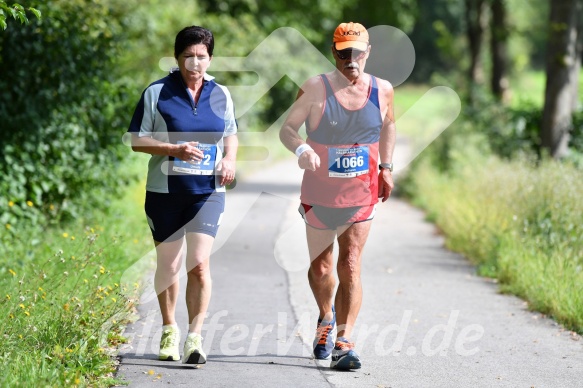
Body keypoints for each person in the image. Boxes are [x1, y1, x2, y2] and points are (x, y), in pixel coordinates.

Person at [279, 22, 396, 370]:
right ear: (334, 52)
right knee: (321, 267)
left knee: (350, 264)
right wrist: (300, 148)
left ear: (368, 52)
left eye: (357, 52)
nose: (351, 59)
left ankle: (344, 341)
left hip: (361, 193)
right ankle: (325, 317)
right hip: (319, 192)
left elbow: (389, 124)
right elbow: (287, 129)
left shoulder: (383, 90)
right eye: (343, 53)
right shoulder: (315, 88)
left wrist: (386, 167)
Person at [127, 26, 238, 365]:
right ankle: (169, 328)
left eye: (201, 57)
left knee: (199, 264)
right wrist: (173, 149)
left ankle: (195, 337)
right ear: (177, 58)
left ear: (210, 59)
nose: (195, 63)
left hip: (207, 192)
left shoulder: (221, 93)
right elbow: (136, 139)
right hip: (165, 192)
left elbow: (231, 132)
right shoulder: (156, 92)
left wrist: (230, 159)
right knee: (170, 264)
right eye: (188, 56)